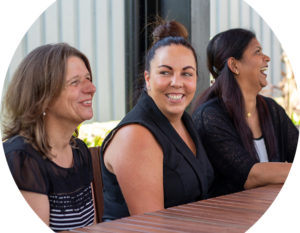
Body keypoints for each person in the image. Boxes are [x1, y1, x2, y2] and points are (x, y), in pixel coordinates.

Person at [100, 20, 214, 221]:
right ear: (147, 79)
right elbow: (151, 225)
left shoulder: (184, 122)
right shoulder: (136, 135)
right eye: (165, 72)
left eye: (186, 74)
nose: (176, 83)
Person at [192, 28, 299, 197]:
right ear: (234, 65)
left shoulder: (271, 110)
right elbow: (250, 175)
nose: (267, 58)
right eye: (257, 52)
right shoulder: (210, 117)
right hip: (229, 218)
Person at [2, 43, 97, 232]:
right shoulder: (22, 159)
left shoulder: (79, 151)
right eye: (75, 82)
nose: (92, 88)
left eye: (88, 79)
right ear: (43, 97)